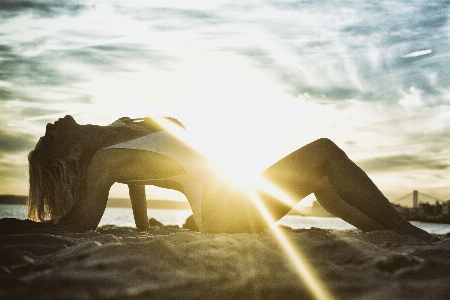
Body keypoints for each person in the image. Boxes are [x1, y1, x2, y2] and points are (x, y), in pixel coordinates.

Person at [28, 115, 435, 242]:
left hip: (226, 203)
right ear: (72, 153)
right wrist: (19, 230)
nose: (49, 124)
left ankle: (392, 231)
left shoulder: (121, 135)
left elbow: (135, 186)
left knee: (325, 185)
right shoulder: (103, 160)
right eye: (49, 137)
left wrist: (143, 226)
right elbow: (80, 225)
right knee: (323, 154)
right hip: (225, 214)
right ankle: (409, 230)